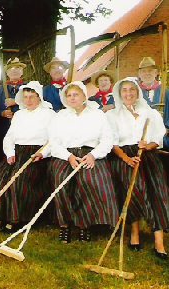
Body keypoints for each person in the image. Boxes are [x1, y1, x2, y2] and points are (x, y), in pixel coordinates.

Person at [107, 77, 169, 259]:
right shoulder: (112, 115)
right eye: (124, 90)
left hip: (147, 155)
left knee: (156, 193)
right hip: (124, 157)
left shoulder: (150, 114)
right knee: (134, 191)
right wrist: (126, 158)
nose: (128, 93)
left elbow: (158, 139)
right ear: (119, 94)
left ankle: (159, 241)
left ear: (137, 92)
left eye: (132, 90)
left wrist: (147, 145)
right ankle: (134, 233)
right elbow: (112, 142)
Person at [48, 81, 119, 243]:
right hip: (66, 155)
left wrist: (94, 155)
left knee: (89, 181)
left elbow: (107, 139)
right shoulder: (60, 116)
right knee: (62, 182)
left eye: (76, 94)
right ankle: (65, 225)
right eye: (69, 95)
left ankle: (84, 225)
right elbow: (54, 142)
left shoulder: (97, 114)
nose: (72, 98)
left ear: (84, 96)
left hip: (90, 154)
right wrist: (69, 157)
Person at [0, 81, 55, 233]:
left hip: (37, 154)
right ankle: (1, 215)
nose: (29, 100)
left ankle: (17, 219)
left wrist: (43, 153)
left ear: (39, 97)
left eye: (32, 96)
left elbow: (54, 139)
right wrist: (10, 153)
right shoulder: (18, 114)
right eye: (25, 97)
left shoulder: (49, 114)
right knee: (1, 179)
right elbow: (9, 137)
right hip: (17, 152)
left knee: (19, 181)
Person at [0, 58, 26, 171]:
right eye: (11, 68)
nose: (15, 71)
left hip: (23, 130)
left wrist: (17, 101)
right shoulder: (0, 90)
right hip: (4, 130)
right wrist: (2, 113)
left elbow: (37, 101)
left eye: (18, 68)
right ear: (7, 73)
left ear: (22, 71)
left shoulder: (29, 88)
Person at [137, 57, 169, 148]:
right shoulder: (134, 93)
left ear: (156, 73)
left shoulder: (166, 93)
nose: (147, 73)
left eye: (150, 70)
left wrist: (167, 129)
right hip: (140, 143)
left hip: (163, 142)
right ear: (139, 74)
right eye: (144, 71)